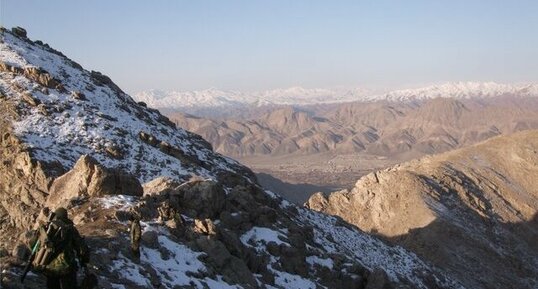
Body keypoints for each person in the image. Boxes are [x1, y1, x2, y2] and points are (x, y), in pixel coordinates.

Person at [30, 207, 89, 289]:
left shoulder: (46, 228)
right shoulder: (70, 229)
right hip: (67, 268)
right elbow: (82, 249)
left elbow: (32, 244)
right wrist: (84, 260)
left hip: (49, 268)